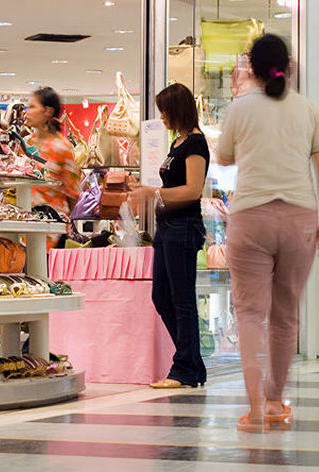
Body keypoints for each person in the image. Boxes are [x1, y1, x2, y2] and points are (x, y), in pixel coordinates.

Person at [217, 34, 319, 432]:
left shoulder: (239, 108)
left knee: (249, 313)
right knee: (286, 317)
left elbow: (225, 157)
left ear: (251, 67)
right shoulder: (309, 110)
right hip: (300, 217)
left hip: (250, 216)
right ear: (290, 65)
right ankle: (273, 400)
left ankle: (253, 408)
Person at [132, 83, 209, 389]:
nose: (161, 116)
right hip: (167, 229)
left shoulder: (195, 144)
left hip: (183, 228)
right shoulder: (178, 142)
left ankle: (185, 369)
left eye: (164, 110)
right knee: (162, 296)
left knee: (181, 300)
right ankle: (192, 363)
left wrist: (154, 194)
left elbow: (193, 189)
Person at [26, 87, 79, 248]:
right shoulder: (26, 143)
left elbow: (73, 193)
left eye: (32, 107)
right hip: (25, 226)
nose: (27, 112)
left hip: (53, 229)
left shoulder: (62, 147)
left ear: (48, 111)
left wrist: (70, 225)